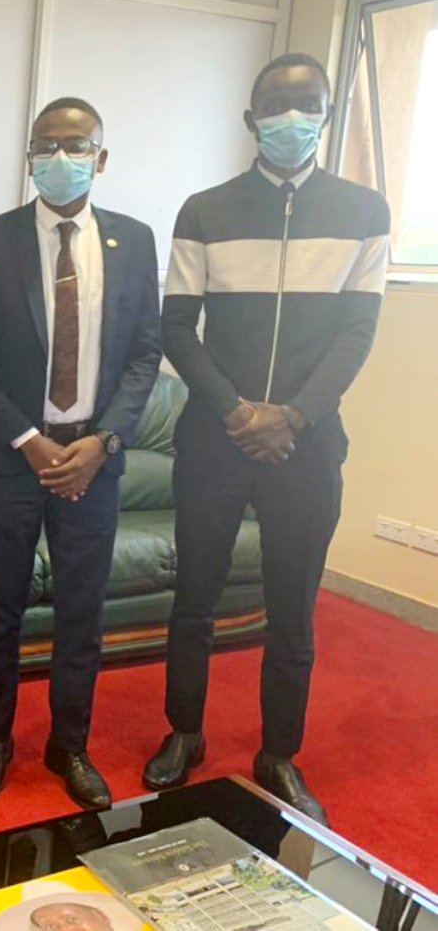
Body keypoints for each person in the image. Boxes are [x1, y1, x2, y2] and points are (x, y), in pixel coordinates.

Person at [144, 53, 389, 825]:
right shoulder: (205, 210)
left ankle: (280, 750)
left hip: (309, 443)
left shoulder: (364, 211)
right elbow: (177, 327)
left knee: (293, 608)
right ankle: (183, 730)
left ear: (326, 113)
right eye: (277, 106)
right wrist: (238, 411)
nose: (293, 118)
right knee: (195, 601)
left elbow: (358, 330)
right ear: (251, 121)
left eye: (307, 104)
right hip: (217, 436)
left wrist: (296, 416)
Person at [0, 98, 163, 810]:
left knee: (82, 612)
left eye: (76, 145)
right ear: (29, 154)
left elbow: (144, 354)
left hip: (93, 462)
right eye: (47, 144)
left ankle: (69, 745)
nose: (60, 157)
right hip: (13, 457)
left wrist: (104, 442)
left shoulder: (133, 241)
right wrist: (30, 439)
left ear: (101, 158)